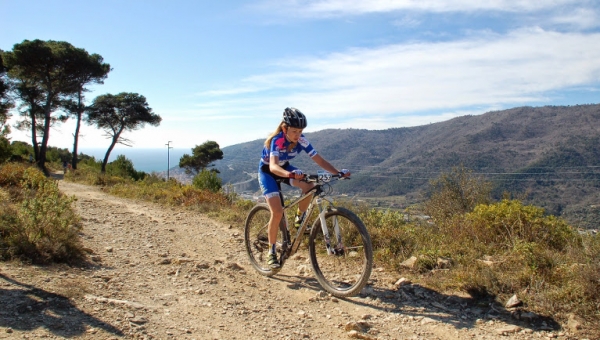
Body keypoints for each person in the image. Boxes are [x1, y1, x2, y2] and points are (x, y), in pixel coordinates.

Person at [258, 107, 350, 269]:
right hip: (268, 172)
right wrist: (290, 175)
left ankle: (299, 218)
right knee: (277, 212)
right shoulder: (277, 140)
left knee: (310, 186)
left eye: (300, 131)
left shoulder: (302, 140)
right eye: (294, 131)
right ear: (285, 128)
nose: (297, 135)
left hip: (285, 167)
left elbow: (320, 161)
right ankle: (271, 252)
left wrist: (338, 173)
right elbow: (273, 167)